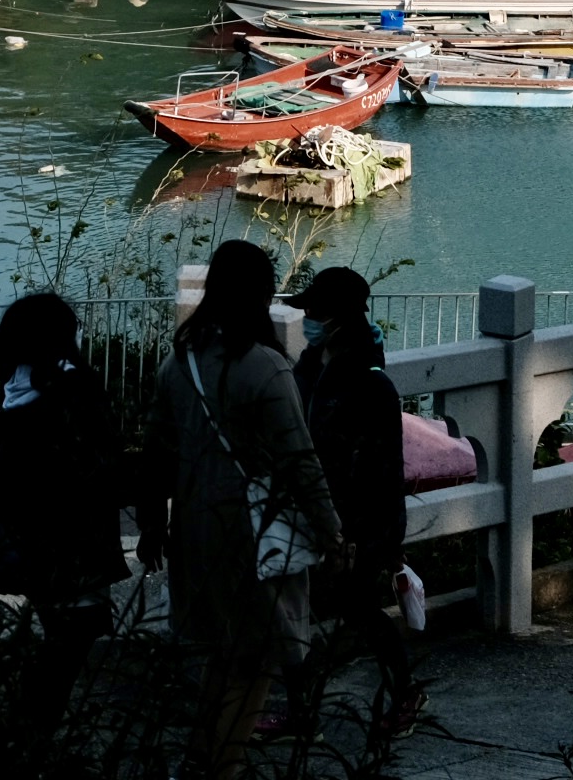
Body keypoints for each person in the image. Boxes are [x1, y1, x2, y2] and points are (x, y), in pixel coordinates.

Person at [142, 241, 338, 780]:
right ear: (260, 295)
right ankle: (219, 769)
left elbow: (155, 453)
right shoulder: (266, 368)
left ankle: (197, 762)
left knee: (222, 655)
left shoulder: (177, 364)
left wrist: (152, 523)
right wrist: (332, 532)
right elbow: (300, 463)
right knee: (256, 661)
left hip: (193, 527)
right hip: (254, 532)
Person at [0, 293, 128, 723]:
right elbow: (104, 467)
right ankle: (25, 733)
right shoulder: (76, 396)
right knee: (69, 646)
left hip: (28, 546)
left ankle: (24, 726)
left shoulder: (13, 394)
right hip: (77, 547)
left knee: (58, 636)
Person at [293, 269, 419, 734]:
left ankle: (403, 694)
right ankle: (298, 708)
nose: (307, 318)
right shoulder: (310, 365)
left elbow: (382, 470)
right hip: (313, 508)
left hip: (359, 520)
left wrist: (374, 537)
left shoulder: (371, 383)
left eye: (315, 311)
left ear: (339, 318)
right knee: (301, 608)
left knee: (359, 607)